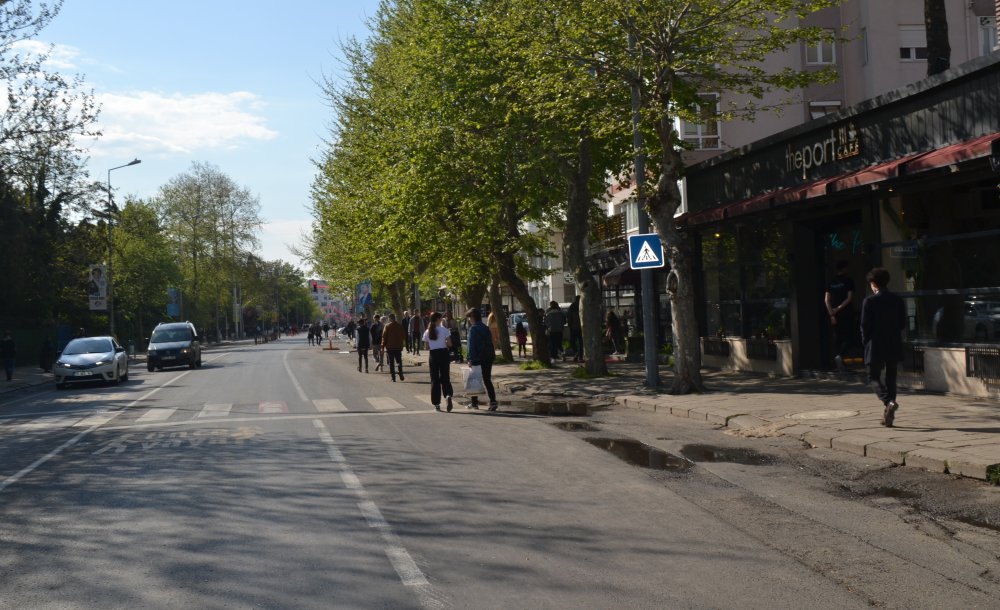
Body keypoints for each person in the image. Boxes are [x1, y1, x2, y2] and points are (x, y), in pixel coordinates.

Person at [860, 267, 906, 427]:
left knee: (872, 377)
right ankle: (888, 414)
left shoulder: (869, 301)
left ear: (873, 283)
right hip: (893, 343)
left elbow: (864, 326)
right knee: (891, 378)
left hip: (875, 343)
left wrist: (865, 342)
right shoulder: (897, 300)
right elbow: (902, 324)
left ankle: (888, 402)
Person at [465, 307, 498, 411]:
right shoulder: (485, 327)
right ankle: (493, 401)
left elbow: (471, 346)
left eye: (469, 317)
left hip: (477, 357)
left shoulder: (473, 329)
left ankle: (474, 403)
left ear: (473, 317)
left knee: (474, 379)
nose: (469, 320)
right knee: (487, 379)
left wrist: (470, 359)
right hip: (488, 356)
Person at [825, 260, 856, 370]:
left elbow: (827, 300)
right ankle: (840, 356)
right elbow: (849, 298)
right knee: (849, 336)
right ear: (844, 269)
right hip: (846, 313)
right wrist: (838, 309)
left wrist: (832, 314)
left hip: (834, 315)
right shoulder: (848, 281)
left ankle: (837, 359)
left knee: (837, 337)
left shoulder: (831, 282)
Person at [422, 312, 455, 412]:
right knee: (445, 376)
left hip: (433, 355)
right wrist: (443, 342)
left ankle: (436, 403)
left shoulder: (428, 331)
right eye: (441, 318)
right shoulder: (444, 330)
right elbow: (450, 344)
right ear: (438, 319)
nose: (442, 320)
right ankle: (448, 395)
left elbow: (426, 347)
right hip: (444, 354)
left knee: (434, 378)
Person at [380, 313, 406, 382]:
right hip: (398, 347)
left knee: (391, 363)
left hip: (390, 347)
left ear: (390, 319)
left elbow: (384, 337)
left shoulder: (387, 326)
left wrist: (382, 347)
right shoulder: (400, 326)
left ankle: (393, 377)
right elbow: (403, 336)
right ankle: (400, 373)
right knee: (399, 361)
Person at [567, 296, 582, 362]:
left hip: (574, 327)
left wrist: (570, 325)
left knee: (572, 341)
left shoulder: (572, 306)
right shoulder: (583, 305)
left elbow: (569, 317)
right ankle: (580, 356)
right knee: (581, 342)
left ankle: (576, 353)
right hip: (581, 327)